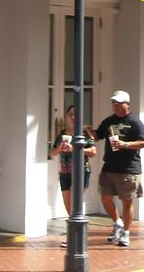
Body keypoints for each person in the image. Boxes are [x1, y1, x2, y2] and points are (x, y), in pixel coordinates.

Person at [87, 90, 144, 248]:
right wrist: (89, 131)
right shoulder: (109, 121)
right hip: (109, 167)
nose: (115, 105)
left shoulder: (134, 121)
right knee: (105, 198)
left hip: (128, 168)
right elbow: (97, 136)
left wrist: (125, 145)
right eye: (113, 103)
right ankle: (117, 222)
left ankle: (126, 233)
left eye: (119, 103)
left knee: (127, 202)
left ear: (127, 104)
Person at [50, 106, 96, 248]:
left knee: (75, 204)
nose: (73, 117)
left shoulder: (85, 133)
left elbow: (93, 151)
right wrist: (60, 148)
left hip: (81, 171)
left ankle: (76, 237)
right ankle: (74, 235)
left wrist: (75, 148)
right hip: (65, 173)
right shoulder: (63, 133)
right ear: (66, 117)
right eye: (70, 114)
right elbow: (52, 153)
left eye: (76, 114)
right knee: (68, 206)